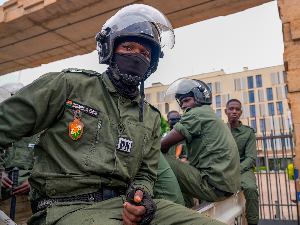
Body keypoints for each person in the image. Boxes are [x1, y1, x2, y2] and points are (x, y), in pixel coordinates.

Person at [0, 4, 227, 225]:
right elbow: (5, 123)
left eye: (145, 53)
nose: (137, 56)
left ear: (152, 63)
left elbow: (145, 174)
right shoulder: (68, 86)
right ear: (109, 48)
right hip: (63, 208)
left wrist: (140, 197)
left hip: (121, 207)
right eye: (128, 48)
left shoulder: (150, 117)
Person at [161, 78, 241, 203]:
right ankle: (185, 208)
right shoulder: (209, 114)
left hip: (212, 187)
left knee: (153, 156)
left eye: (187, 100)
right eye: (181, 103)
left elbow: (161, 146)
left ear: (199, 99)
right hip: (224, 187)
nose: (183, 106)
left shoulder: (195, 114)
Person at [0, 83, 39, 201]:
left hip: (31, 197)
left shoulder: (41, 130)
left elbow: (51, 164)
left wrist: (35, 181)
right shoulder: (3, 129)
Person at [225, 99, 259, 225]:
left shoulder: (248, 132)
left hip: (243, 169)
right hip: (224, 168)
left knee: (250, 188)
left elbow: (251, 158)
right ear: (226, 111)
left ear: (241, 112)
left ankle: (252, 222)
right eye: (231, 109)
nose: (234, 111)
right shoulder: (220, 130)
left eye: (237, 109)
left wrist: (236, 170)